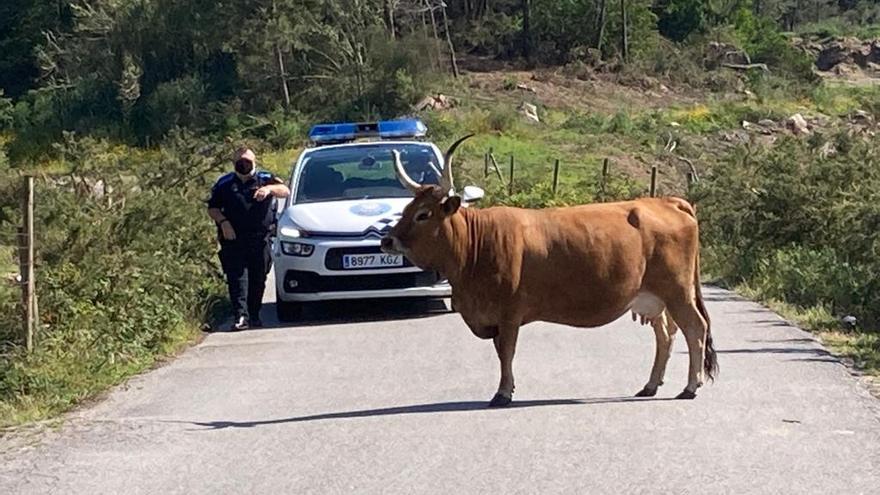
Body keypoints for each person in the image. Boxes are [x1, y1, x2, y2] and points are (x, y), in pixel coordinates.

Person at [207, 148, 290, 330]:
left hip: (260, 239)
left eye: (247, 160)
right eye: (239, 161)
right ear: (233, 162)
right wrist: (223, 222)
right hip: (234, 239)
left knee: (258, 278)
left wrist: (268, 189)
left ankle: (254, 315)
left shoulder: (265, 178)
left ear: (254, 161)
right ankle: (240, 317)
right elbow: (212, 208)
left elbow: (285, 190)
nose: (243, 164)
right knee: (237, 279)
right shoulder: (225, 183)